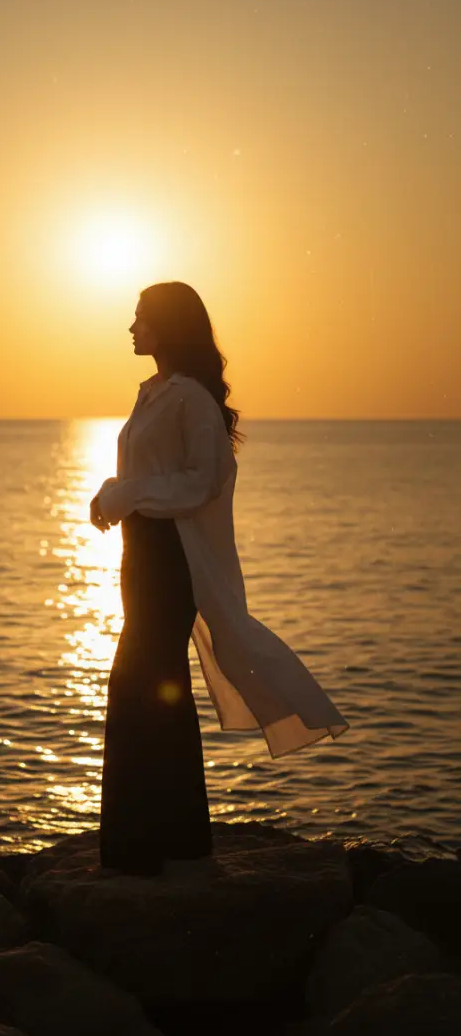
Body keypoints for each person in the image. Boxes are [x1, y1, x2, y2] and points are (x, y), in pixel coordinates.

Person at [89, 281, 350, 879]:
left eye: (141, 317)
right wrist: (114, 494)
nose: (131, 327)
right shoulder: (152, 392)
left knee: (143, 685)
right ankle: (167, 841)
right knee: (149, 687)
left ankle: (151, 846)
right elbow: (152, 474)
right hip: (142, 556)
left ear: (168, 325)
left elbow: (205, 478)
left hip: (172, 560)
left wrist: (126, 494)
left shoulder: (190, 398)